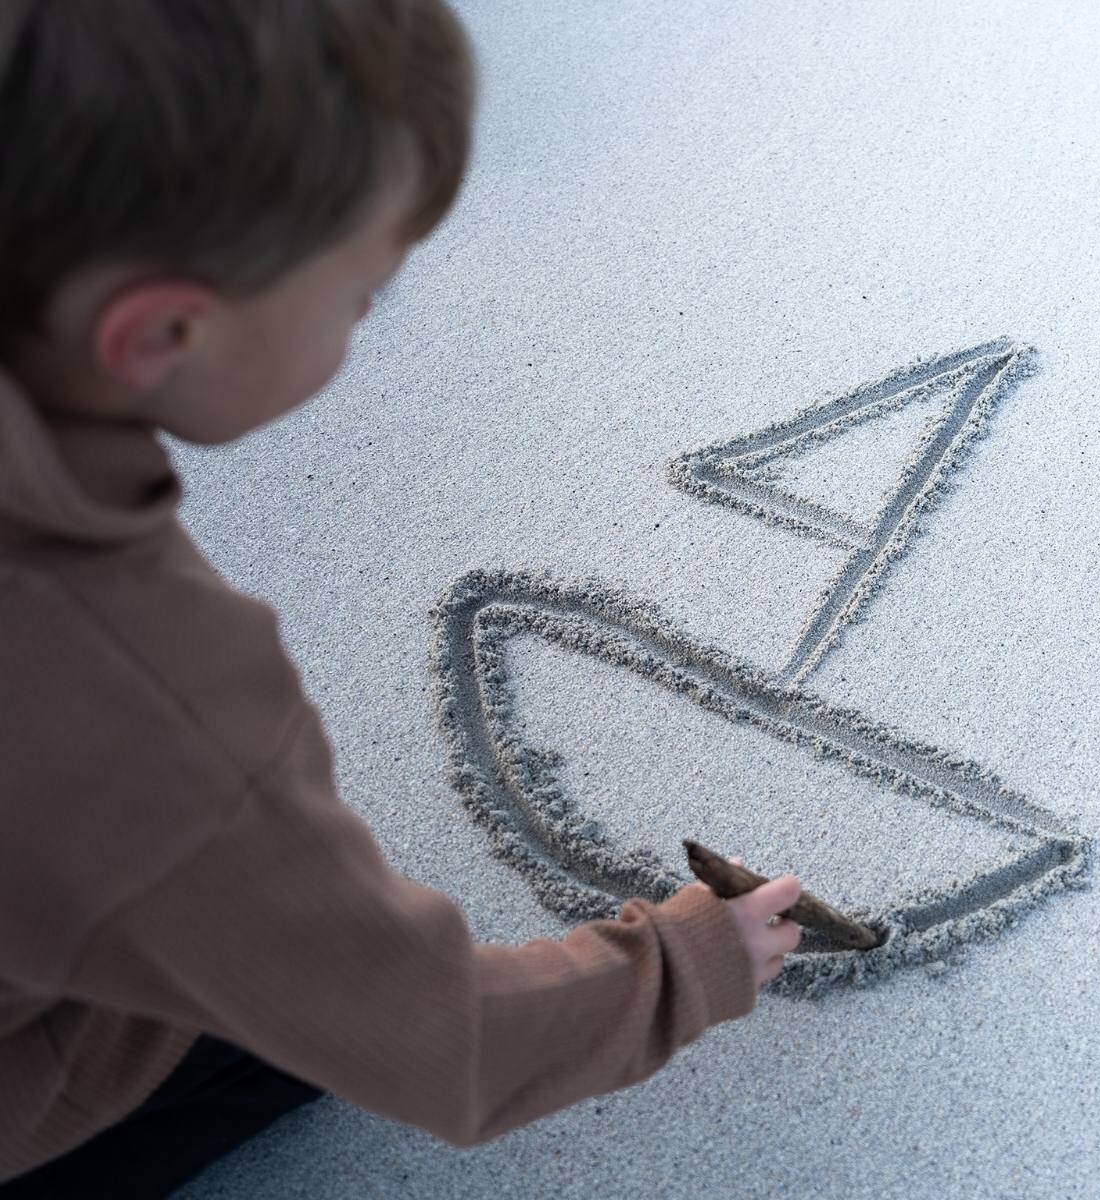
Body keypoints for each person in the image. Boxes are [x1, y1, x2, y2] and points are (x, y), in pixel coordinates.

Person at [0, 3, 804, 1196]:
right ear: (162, 329)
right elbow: (437, 1042)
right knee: (278, 1041)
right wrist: (690, 961)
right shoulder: (146, 706)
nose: (370, 322)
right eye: (362, 298)